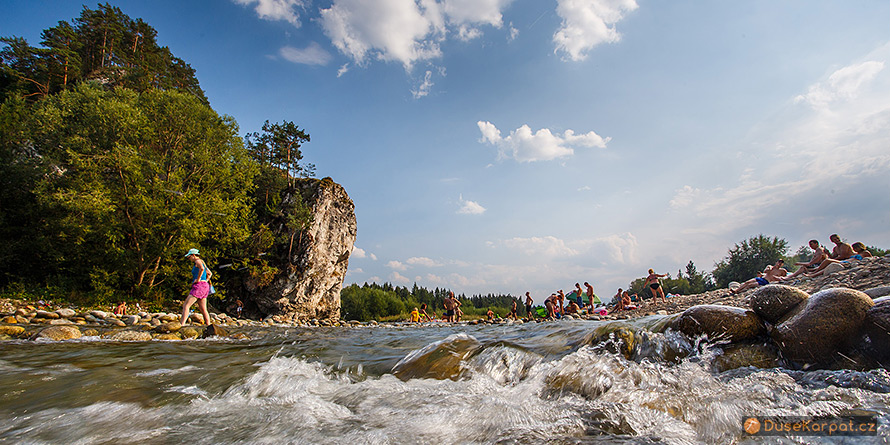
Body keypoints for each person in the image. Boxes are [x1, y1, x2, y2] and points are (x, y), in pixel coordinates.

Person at [180, 248, 212, 326]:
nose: (189, 258)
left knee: (186, 305)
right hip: (205, 286)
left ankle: (182, 324)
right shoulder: (203, 262)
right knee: (203, 309)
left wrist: (198, 280)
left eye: (189, 257)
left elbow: (201, 269)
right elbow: (210, 273)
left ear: (193, 255)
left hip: (199, 286)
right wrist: (205, 281)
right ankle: (209, 325)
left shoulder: (197, 261)